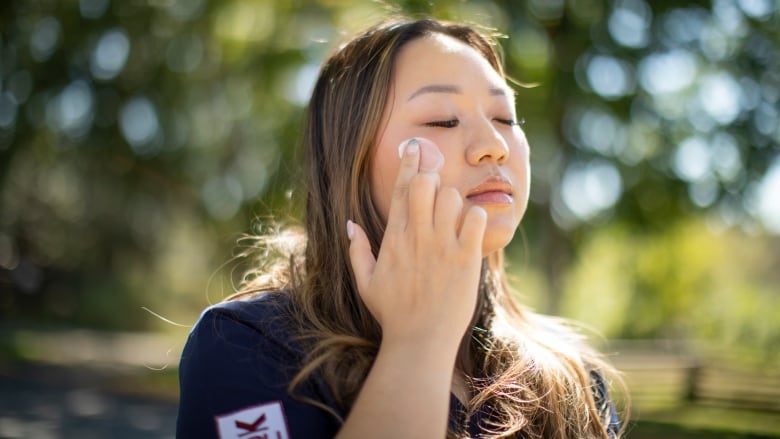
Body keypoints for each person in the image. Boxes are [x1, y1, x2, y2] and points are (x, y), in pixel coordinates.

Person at [176, 17, 624, 439]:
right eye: (442, 121)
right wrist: (417, 343)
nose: (493, 146)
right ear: (350, 163)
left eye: (505, 118)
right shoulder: (244, 345)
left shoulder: (575, 381)